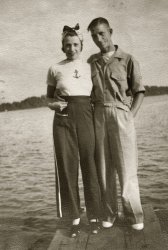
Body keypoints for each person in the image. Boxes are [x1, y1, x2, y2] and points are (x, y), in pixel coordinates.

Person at [87, 17, 145, 230]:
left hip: (122, 114)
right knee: (103, 168)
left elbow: (139, 91)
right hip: (98, 116)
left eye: (101, 33)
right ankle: (109, 213)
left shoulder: (127, 59)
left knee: (127, 168)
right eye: (94, 36)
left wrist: (130, 115)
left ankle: (134, 216)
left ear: (110, 31)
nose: (98, 39)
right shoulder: (90, 62)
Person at [46, 24, 100, 237]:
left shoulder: (90, 66)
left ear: (82, 45)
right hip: (63, 120)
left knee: (91, 164)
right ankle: (75, 218)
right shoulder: (54, 68)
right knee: (67, 169)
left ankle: (95, 216)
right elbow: (49, 98)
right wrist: (54, 105)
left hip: (86, 116)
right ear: (63, 47)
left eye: (75, 44)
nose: (72, 49)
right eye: (67, 45)